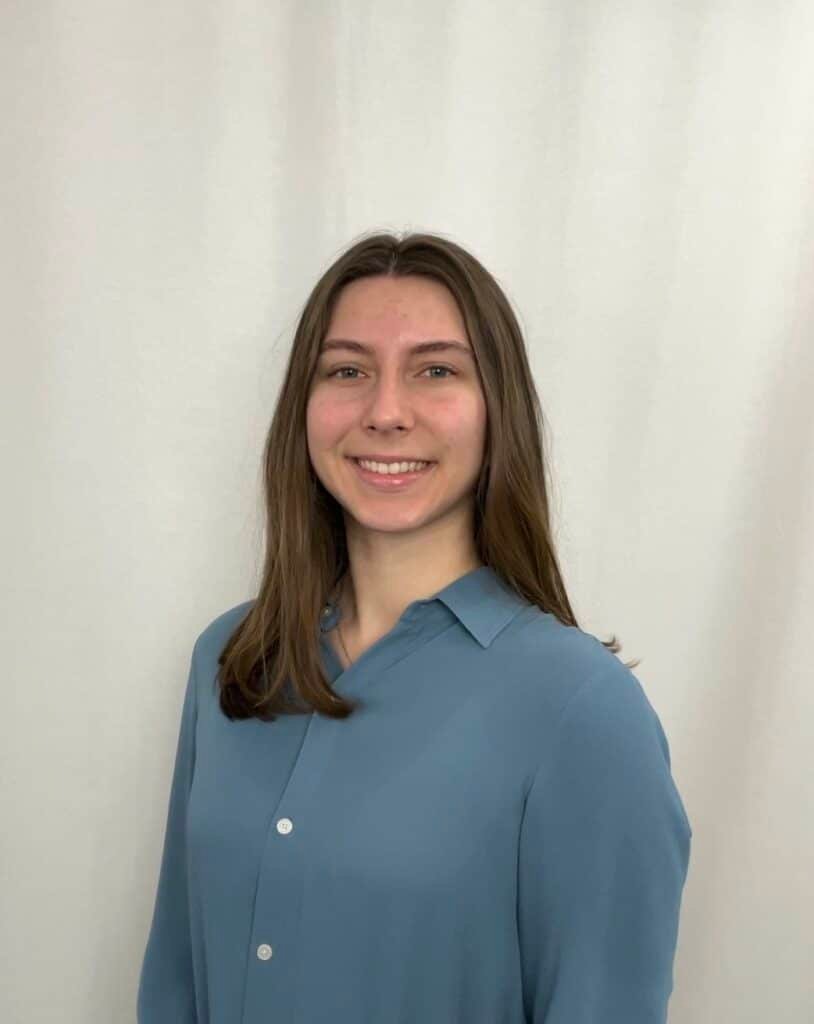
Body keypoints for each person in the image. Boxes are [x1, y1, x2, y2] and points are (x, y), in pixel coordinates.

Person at [136, 230, 692, 1023]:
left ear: (497, 410)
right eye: (347, 370)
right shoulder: (231, 659)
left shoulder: (582, 709)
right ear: (303, 407)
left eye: (436, 371)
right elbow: (177, 979)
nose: (386, 412)